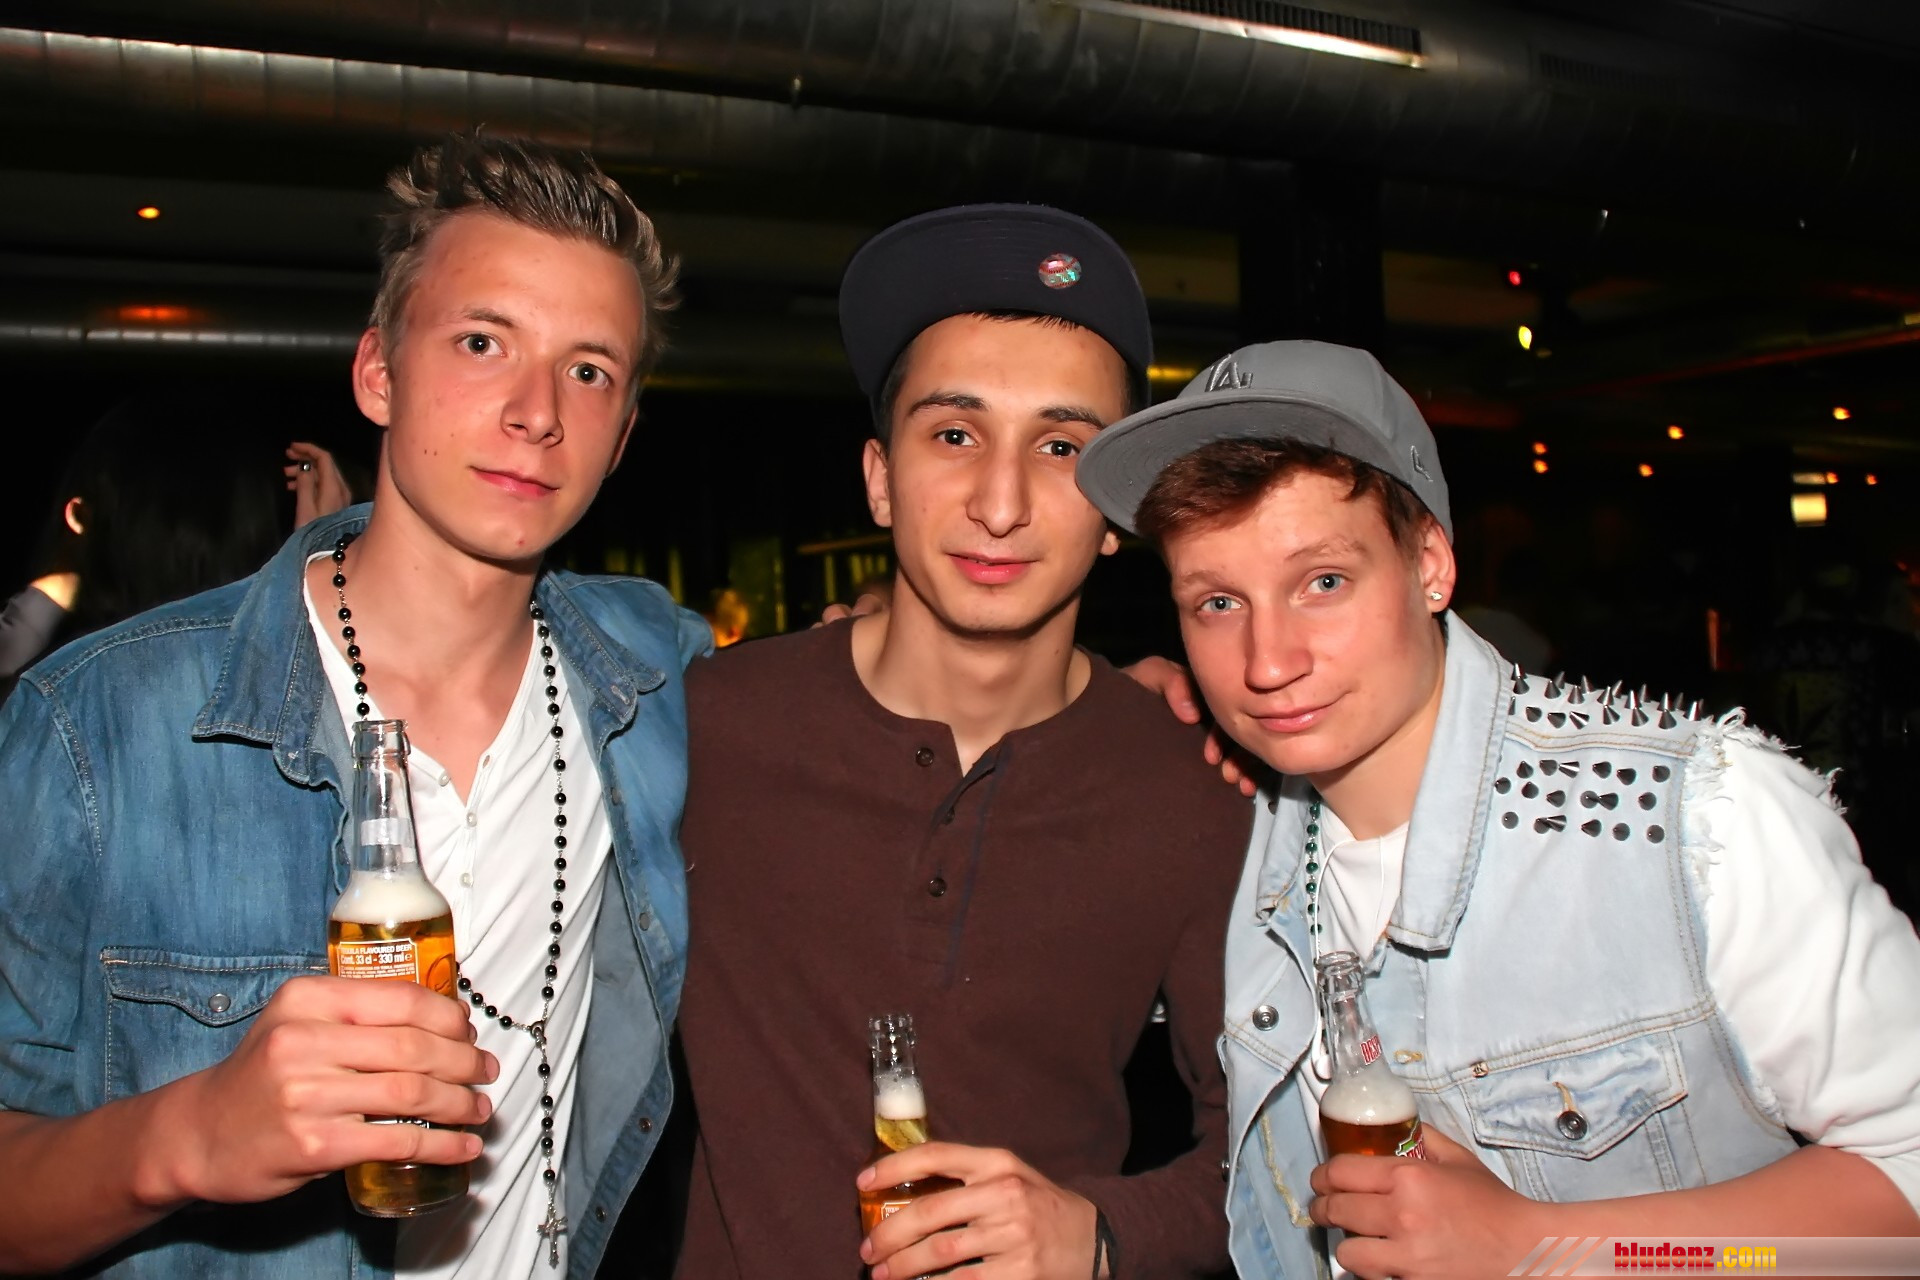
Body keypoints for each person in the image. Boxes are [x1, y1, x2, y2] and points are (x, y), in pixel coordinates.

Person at [0, 132, 705, 1278]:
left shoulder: (654, 679)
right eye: (483, 342)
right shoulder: (100, 724)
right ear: (379, 371)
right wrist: (187, 1133)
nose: (537, 410)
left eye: (588, 370)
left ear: (622, 433)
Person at [1074, 340, 1920, 1279]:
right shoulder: (1233, 829)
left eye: (1324, 582)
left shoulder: (1689, 822)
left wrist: (1548, 1248)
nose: (1268, 662)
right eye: (1219, 603)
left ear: (1431, 564)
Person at [672, 205, 1251, 1280]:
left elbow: (1280, 1152)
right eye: (954, 434)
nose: (1000, 502)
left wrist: (1102, 1232)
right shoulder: (704, 728)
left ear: (1117, 512)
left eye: (1061, 447)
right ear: (879, 477)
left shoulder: (1197, 789)